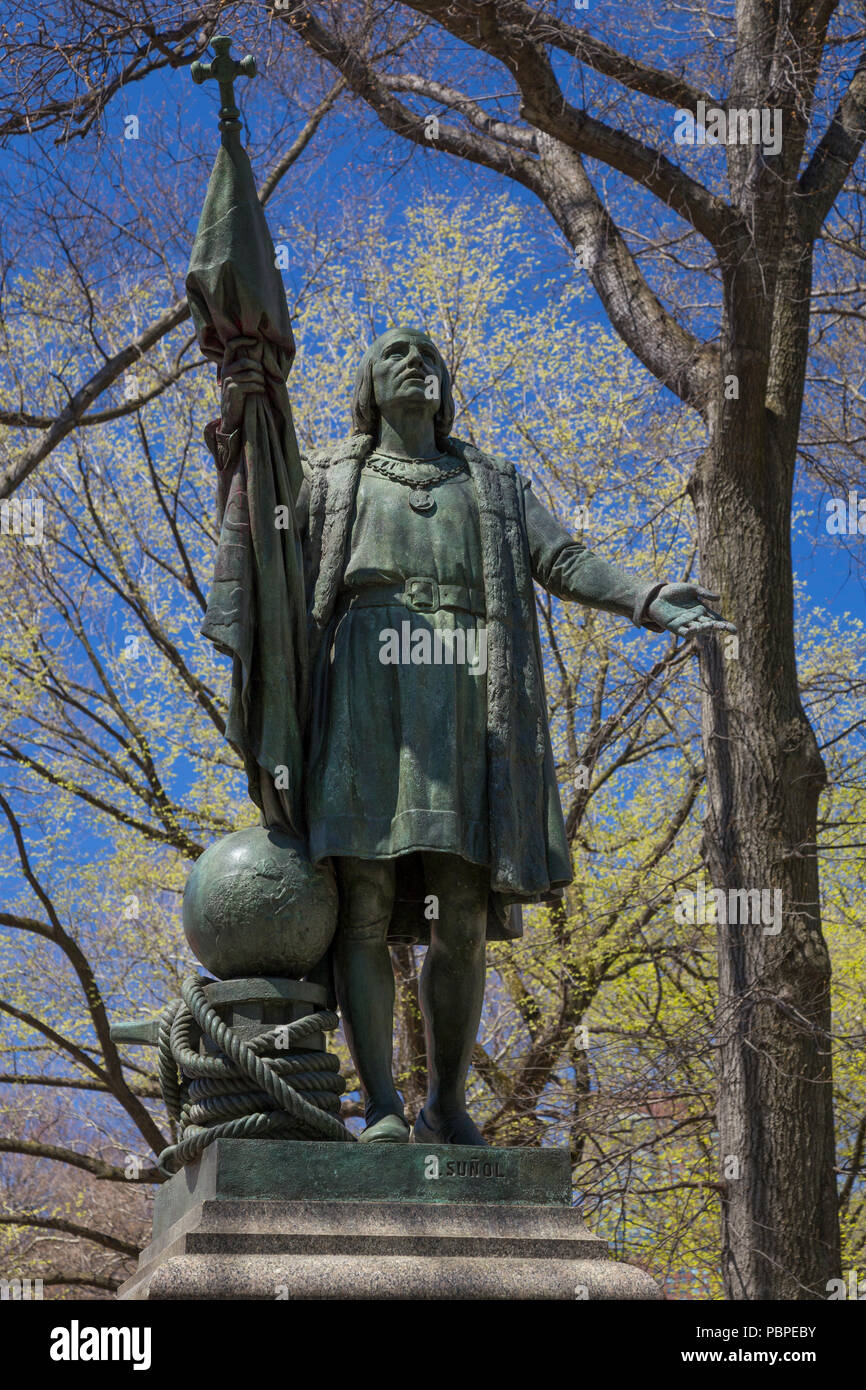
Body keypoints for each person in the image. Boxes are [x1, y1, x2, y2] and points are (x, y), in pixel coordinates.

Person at [212, 326, 733, 1146]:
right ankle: (382, 1105)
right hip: (363, 688)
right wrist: (247, 415)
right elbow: (269, 542)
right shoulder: (334, 478)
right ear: (369, 388)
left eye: (428, 355)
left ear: (445, 387)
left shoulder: (490, 482)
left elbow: (561, 558)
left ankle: (445, 1107)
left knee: (461, 904)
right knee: (367, 897)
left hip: (464, 692)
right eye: (393, 354)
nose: (415, 362)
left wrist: (645, 597)